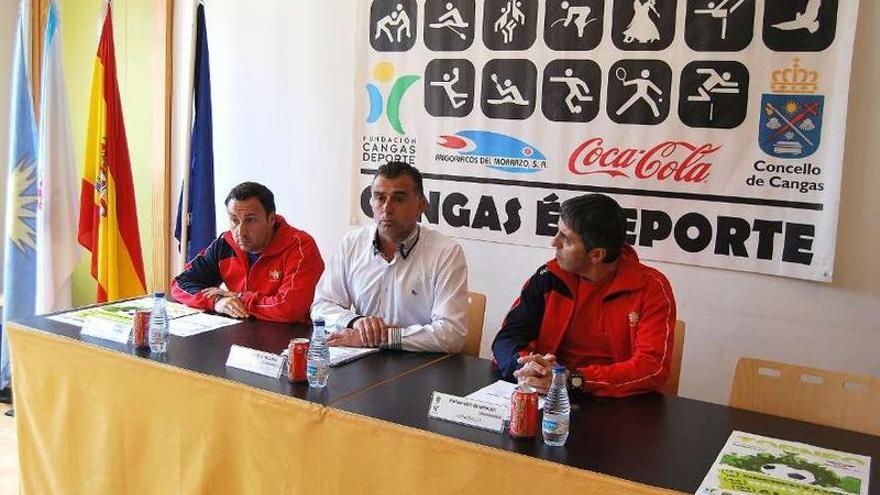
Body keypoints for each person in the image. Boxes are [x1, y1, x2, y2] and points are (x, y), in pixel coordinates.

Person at [492, 194, 676, 397]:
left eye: (566, 239)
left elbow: (651, 368)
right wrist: (529, 370)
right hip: (548, 397)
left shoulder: (652, 288)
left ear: (596, 255)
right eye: (557, 232)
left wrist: (570, 379)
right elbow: (507, 339)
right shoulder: (549, 276)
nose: (554, 242)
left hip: (618, 404)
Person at [311, 161, 468, 352]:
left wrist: (383, 337)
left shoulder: (446, 252)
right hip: (361, 361)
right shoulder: (352, 243)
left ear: (422, 205)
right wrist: (355, 321)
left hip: (419, 366)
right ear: (370, 202)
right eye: (380, 198)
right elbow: (321, 305)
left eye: (398, 199)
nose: (387, 208)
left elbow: (452, 335)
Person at [171, 182, 324, 323]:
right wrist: (217, 301)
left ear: (271, 219)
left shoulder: (300, 246)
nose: (241, 232)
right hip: (241, 336)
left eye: (250, 220)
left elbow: (290, 309)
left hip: (290, 341)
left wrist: (239, 297)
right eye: (234, 220)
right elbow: (179, 284)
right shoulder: (225, 243)